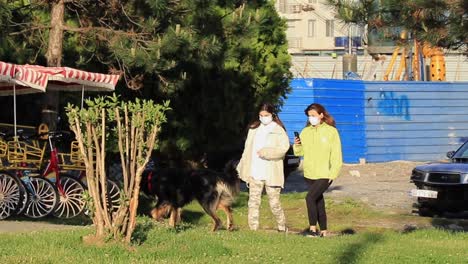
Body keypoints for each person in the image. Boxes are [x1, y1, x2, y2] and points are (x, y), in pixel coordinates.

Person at [236, 103, 290, 232]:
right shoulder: (254, 129)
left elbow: (283, 149)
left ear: (272, 115)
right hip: (255, 171)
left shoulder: (278, 130)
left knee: (274, 203)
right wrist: (242, 166)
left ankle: (282, 227)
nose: (263, 117)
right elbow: (247, 150)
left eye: (266, 115)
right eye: (261, 115)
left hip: (271, 172)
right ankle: (253, 229)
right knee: (253, 202)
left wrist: (267, 152)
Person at [293, 103, 342, 237]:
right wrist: (296, 145)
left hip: (325, 174)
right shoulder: (305, 131)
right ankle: (324, 231)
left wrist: (333, 173)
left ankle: (313, 229)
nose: (311, 118)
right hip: (309, 173)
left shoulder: (331, 131)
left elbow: (336, 154)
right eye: (309, 116)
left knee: (310, 198)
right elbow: (299, 153)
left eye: (313, 115)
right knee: (318, 201)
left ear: (321, 115)